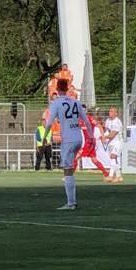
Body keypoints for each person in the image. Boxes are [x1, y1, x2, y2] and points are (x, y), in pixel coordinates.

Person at [46, 79, 92, 210]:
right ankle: (71, 201)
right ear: (67, 88)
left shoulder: (56, 103)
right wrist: (91, 136)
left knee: (67, 171)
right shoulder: (75, 102)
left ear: (57, 89)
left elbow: (49, 123)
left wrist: (45, 137)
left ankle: (71, 203)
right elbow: (86, 121)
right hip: (78, 137)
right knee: (70, 169)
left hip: (68, 139)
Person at [75, 114, 110, 178]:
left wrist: (103, 137)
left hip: (89, 142)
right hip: (88, 142)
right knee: (94, 159)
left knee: (75, 158)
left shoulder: (90, 119)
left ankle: (69, 176)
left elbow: (100, 126)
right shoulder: (78, 120)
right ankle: (106, 173)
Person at [103, 107, 124, 184]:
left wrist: (105, 137)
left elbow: (113, 134)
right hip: (111, 142)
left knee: (113, 156)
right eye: (109, 111)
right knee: (114, 159)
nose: (110, 113)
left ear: (116, 113)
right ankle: (119, 177)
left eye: (112, 111)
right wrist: (104, 136)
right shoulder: (108, 121)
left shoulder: (117, 122)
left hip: (117, 142)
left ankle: (110, 176)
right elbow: (107, 131)